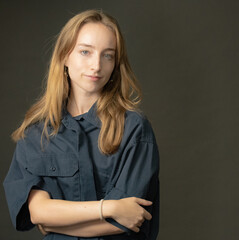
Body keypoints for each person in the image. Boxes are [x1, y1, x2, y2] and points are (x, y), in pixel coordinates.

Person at [3, 9, 159, 240]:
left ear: (116, 64)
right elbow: (37, 212)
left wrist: (56, 222)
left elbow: (128, 221)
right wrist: (109, 208)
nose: (96, 65)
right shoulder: (36, 133)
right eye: (85, 52)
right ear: (65, 56)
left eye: (108, 55)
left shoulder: (134, 128)